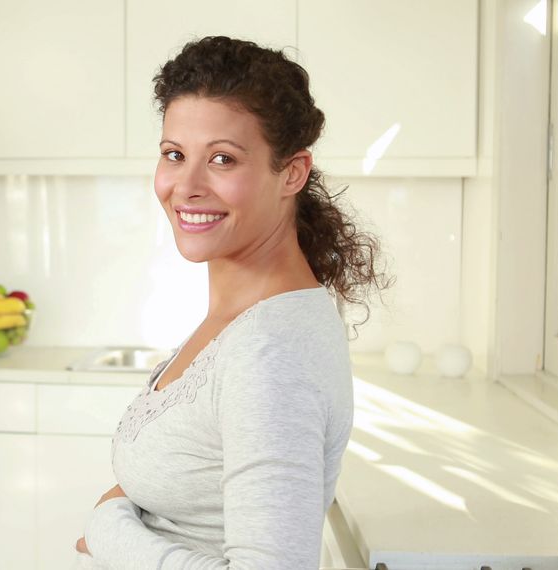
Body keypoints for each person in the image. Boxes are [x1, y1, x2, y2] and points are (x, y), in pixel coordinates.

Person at [73, 36, 392, 569]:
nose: (187, 185)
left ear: (291, 172)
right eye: (175, 155)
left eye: (222, 159)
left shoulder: (270, 356)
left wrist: (106, 527)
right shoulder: (243, 320)